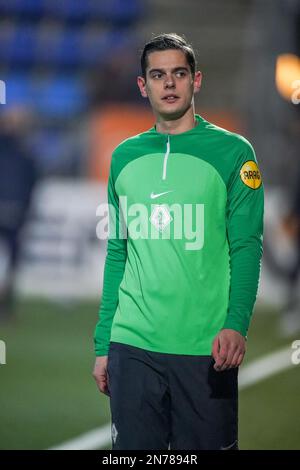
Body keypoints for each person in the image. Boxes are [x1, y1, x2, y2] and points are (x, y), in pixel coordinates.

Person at [93, 33, 264, 450]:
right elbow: (119, 251)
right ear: (143, 85)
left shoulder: (234, 152)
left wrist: (235, 325)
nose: (168, 84)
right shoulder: (123, 157)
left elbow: (247, 246)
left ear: (196, 81)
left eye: (178, 74)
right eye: (157, 75)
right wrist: (103, 343)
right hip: (131, 344)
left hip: (206, 347)